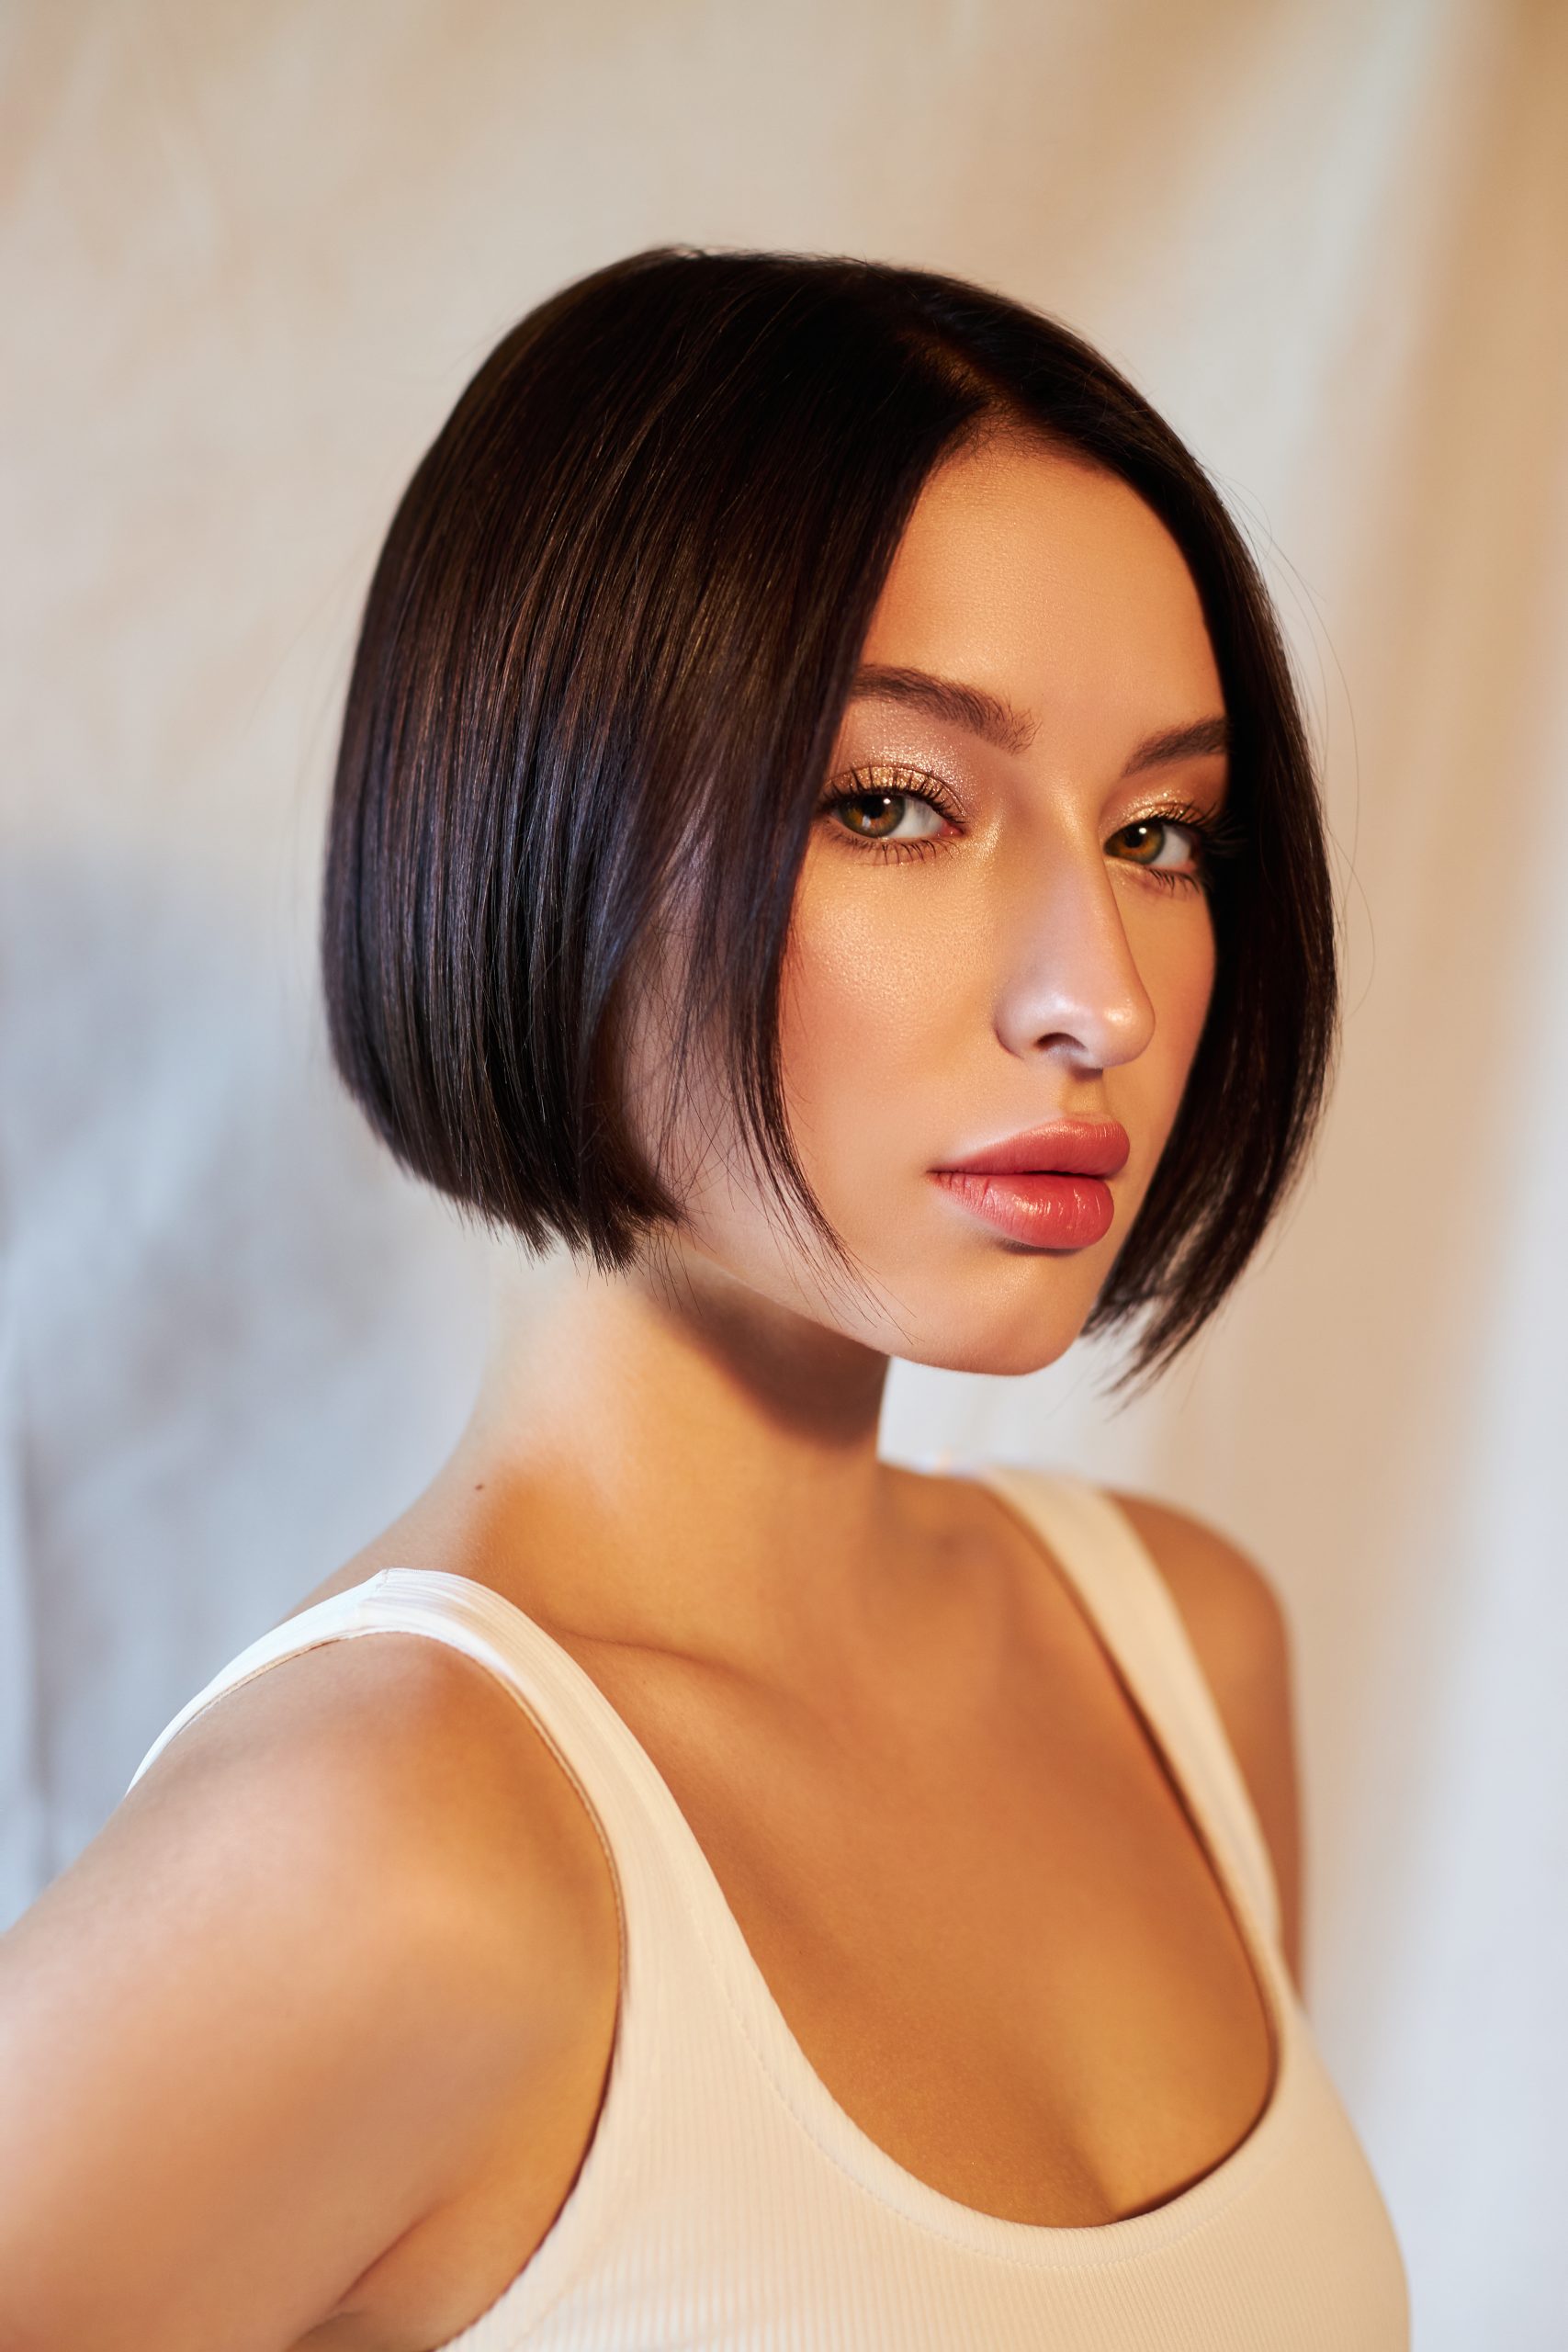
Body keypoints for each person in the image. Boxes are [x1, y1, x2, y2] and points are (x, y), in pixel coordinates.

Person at [0, 246, 1410, 2349]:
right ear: (536, 821)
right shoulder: (379, 1847)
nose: (1099, 996)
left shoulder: (1178, 1664)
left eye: (1159, 832)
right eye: (893, 803)